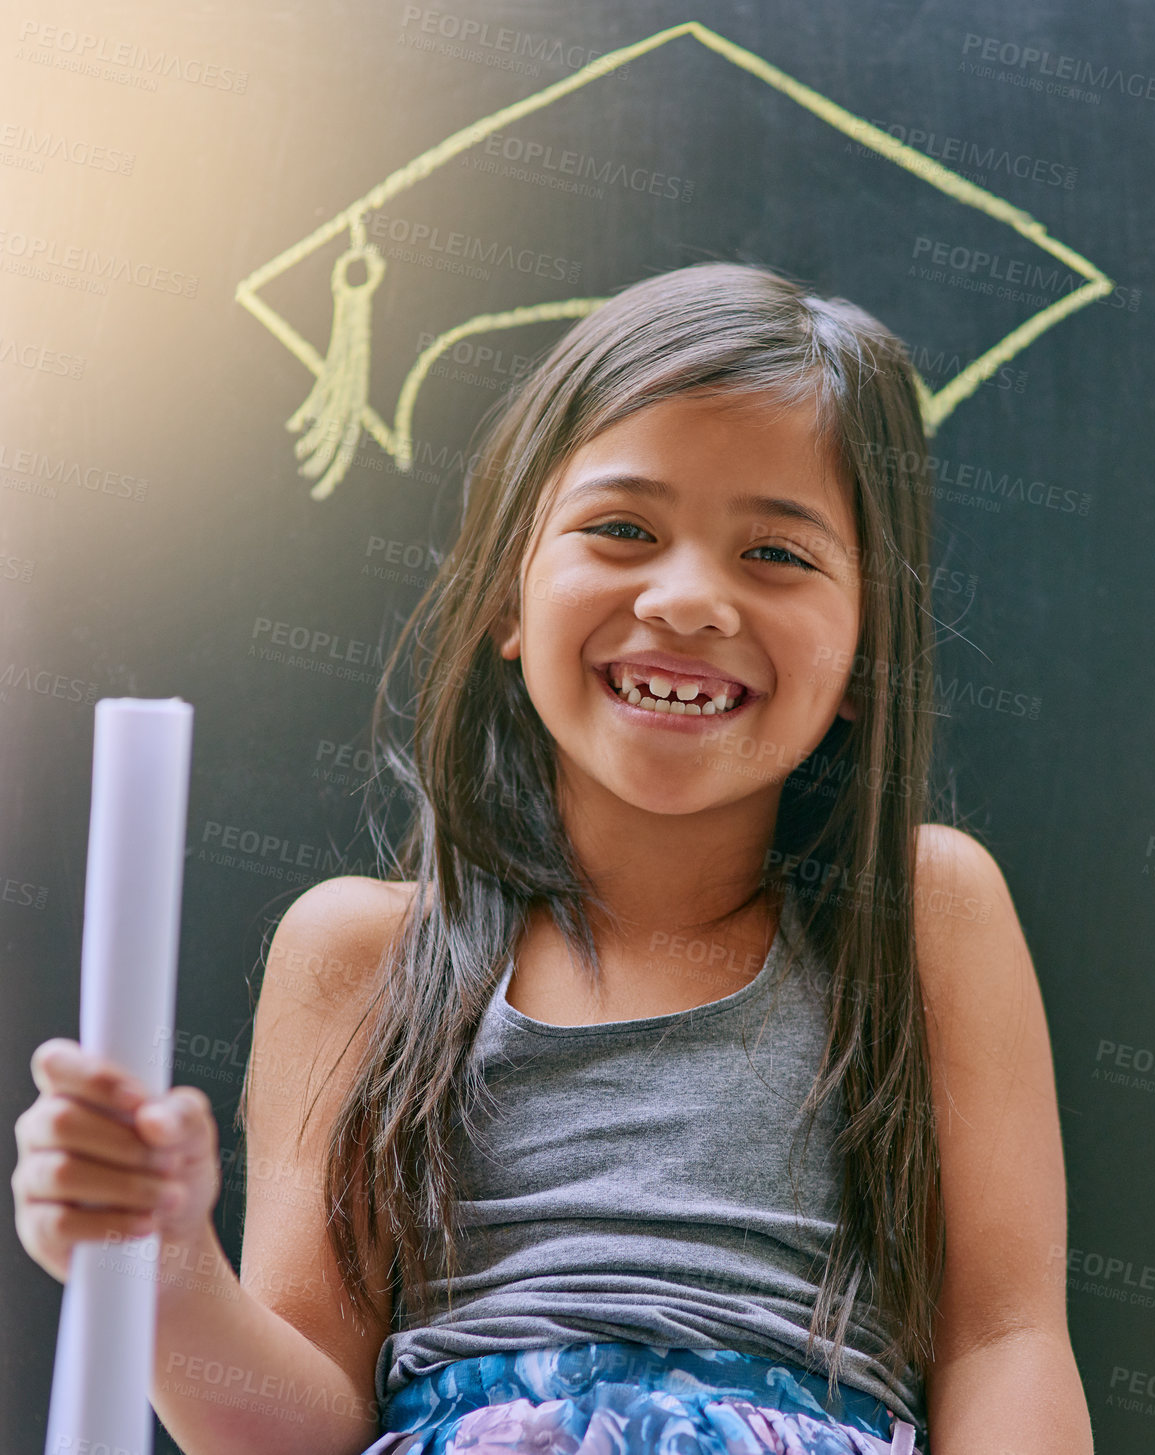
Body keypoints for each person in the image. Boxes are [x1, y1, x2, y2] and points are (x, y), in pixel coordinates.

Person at [13, 262, 1094, 1455]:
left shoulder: (921, 909)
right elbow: (298, 1426)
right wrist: (158, 1268)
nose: (688, 602)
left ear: (863, 650)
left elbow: (1003, 1341)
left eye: (776, 556)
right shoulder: (365, 951)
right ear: (507, 601)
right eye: (624, 530)